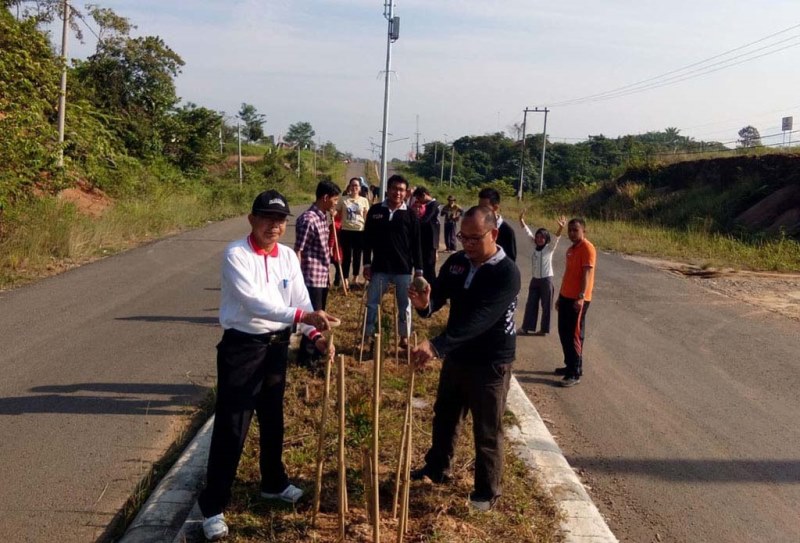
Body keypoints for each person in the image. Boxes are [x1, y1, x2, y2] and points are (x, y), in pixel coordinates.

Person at [199, 190, 337, 541]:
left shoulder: (288, 256)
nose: (274, 226)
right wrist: (302, 316)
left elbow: (301, 298)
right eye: (267, 218)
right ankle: (213, 506)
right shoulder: (237, 254)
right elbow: (255, 302)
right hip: (242, 349)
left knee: (273, 419)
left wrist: (313, 335)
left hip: (276, 348)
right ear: (252, 219)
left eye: (279, 220)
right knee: (233, 426)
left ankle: (273, 483)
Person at [408, 206, 521, 512]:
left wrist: (437, 345)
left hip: (490, 361)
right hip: (458, 356)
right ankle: (437, 468)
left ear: (493, 234)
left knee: (486, 429)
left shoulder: (506, 273)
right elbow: (438, 298)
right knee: (444, 415)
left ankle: (486, 492)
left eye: (475, 238)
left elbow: (480, 320)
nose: (467, 244)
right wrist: (423, 304)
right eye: (463, 237)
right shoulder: (458, 263)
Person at [362, 174, 423, 354]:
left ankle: (404, 339)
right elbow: (367, 240)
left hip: (403, 269)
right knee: (372, 303)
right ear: (387, 190)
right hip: (379, 268)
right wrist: (366, 264)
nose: (398, 193)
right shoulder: (375, 211)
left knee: (404, 306)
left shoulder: (411, 215)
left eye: (401, 190)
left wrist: (419, 271)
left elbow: (417, 244)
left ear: (406, 193)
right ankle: (367, 336)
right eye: (394, 189)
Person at [294, 180, 341, 366]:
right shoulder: (308, 219)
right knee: (313, 319)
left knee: (319, 319)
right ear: (325, 197)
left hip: (322, 276)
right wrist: (296, 278)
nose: (336, 203)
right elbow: (299, 250)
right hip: (310, 277)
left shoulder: (323, 217)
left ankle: (314, 353)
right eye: (335, 199)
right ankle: (306, 358)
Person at [555, 217, 596, 387]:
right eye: (570, 230)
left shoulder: (587, 248)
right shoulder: (571, 249)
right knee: (563, 332)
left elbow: (586, 274)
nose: (572, 233)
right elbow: (568, 274)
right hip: (566, 296)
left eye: (575, 230)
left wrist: (580, 296)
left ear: (583, 231)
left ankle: (575, 372)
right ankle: (569, 364)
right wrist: (560, 296)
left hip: (578, 299)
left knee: (575, 335)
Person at [518, 213, 566, 336]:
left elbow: (556, 238)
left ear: (546, 239)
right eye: (537, 237)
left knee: (546, 306)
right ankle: (526, 327)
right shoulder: (534, 246)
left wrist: (561, 227)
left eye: (542, 237)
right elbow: (527, 232)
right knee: (531, 304)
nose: (539, 239)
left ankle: (544, 330)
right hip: (535, 280)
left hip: (546, 280)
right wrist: (521, 220)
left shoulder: (549, 249)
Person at [334, 177, 370, 288]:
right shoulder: (343, 199)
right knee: (346, 256)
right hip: (346, 231)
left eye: (356, 186)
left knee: (357, 256)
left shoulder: (364, 200)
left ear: (360, 188)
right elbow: (337, 212)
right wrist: (332, 212)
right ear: (349, 187)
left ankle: (355, 277)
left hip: (359, 231)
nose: (354, 188)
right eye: (352, 185)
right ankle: (345, 278)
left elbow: (366, 216)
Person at [478, 187, 517, 261]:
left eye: (484, 207)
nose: (480, 210)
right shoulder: (478, 226)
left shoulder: (507, 232)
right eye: (479, 207)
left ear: (495, 208)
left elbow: (510, 261)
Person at [413, 186, 441, 284]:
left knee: (429, 267)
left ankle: (432, 289)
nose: (419, 201)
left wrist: (415, 223)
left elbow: (425, 219)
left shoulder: (434, 205)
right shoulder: (429, 205)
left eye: (419, 198)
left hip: (431, 240)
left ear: (424, 195)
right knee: (424, 266)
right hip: (425, 240)